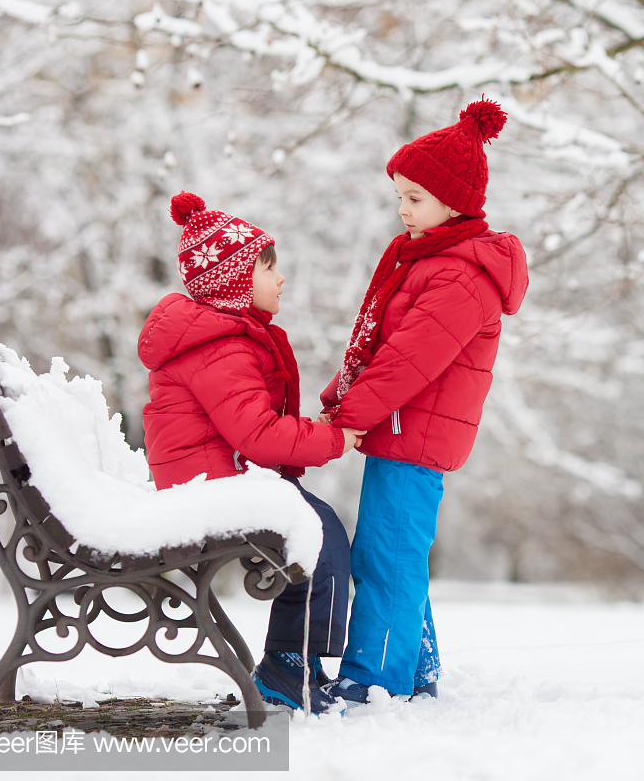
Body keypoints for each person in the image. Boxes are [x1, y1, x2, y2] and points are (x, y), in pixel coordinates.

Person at [319, 99, 529, 704]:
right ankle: (415, 670)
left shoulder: (460, 275)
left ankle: (374, 681)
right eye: (400, 197)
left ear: (454, 201)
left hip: (417, 433)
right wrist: (341, 399)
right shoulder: (432, 261)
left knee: (385, 555)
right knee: (395, 552)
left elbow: (406, 362)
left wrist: (346, 417)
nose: (403, 210)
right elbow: (382, 345)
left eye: (414, 197)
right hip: (404, 429)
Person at [137, 191, 364, 714]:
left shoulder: (222, 341)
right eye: (269, 268)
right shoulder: (222, 348)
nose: (281, 278)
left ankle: (294, 662)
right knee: (318, 531)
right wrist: (331, 439)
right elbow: (257, 433)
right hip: (215, 486)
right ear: (236, 282)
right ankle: (289, 664)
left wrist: (308, 429)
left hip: (216, 477)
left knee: (317, 526)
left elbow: (249, 425)